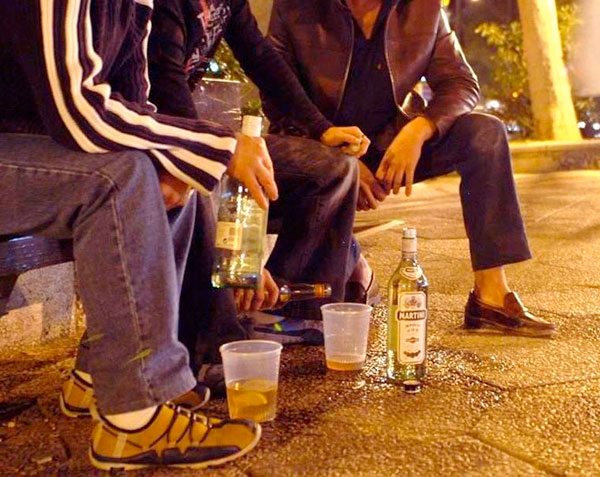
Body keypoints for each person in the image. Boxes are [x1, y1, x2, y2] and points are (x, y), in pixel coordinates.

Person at [0, 0, 283, 470]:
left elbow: (135, 103)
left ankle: (99, 375)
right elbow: (77, 110)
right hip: (19, 146)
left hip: (31, 147)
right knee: (123, 177)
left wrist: (179, 162)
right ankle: (134, 418)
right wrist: (217, 146)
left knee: (170, 178)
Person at [263, 0, 556, 337]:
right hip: (320, 145)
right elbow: (278, 96)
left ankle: (490, 295)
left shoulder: (424, 7)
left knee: (485, 133)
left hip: (393, 147)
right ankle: (345, 267)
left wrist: (420, 129)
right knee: (311, 303)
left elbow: (461, 82)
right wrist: (339, 156)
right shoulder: (296, 7)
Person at [146, 0, 379, 359]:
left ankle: (286, 313)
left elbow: (261, 57)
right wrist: (241, 258)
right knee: (195, 178)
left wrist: (320, 128)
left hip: (196, 136)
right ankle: (212, 345)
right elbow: (165, 88)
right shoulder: (164, 7)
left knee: (333, 169)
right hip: (152, 139)